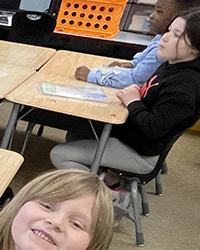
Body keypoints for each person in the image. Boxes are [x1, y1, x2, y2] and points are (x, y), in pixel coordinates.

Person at [52, 10, 200, 174]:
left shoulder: (184, 87)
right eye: (169, 30)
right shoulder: (173, 64)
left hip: (140, 152)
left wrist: (133, 102)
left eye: (177, 35)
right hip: (130, 134)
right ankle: (110, 178)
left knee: (60, 155)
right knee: (77, 133)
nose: (164, 37)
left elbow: (153, 128)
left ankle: (108, 197)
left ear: (195, 48)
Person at [74, 0, 198, 88]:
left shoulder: (165, 51)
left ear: (179, 18)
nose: (151, 16)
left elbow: (134, 80)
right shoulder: (162, 36)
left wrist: (92, 76)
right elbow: (146, 55)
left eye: (160, 12)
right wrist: (132, 64)